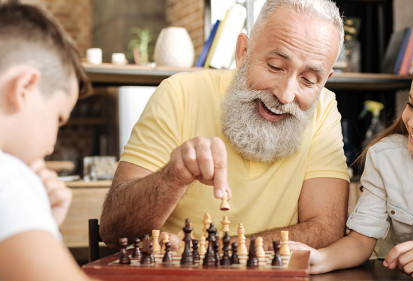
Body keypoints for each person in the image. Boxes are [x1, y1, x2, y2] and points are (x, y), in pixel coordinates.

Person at [100, 0, 350, 249]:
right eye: (275, 66)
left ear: (325, 81)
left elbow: (326, 227)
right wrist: (173, 176)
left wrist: (218, 252)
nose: (285, 95)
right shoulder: (180, 93)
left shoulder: (324, 107)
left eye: (308, 80)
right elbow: (113, 229)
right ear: (243, 52)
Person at [303, 46, 413, 279]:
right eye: (411, 105)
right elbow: (361, 240)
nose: (412, 122)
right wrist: (320, 259)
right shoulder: (385, 157)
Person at [0, 1, 95, 280]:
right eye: (58, 118)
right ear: (25, 87)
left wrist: (39, 228)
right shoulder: (0, 177)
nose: (52, 144)